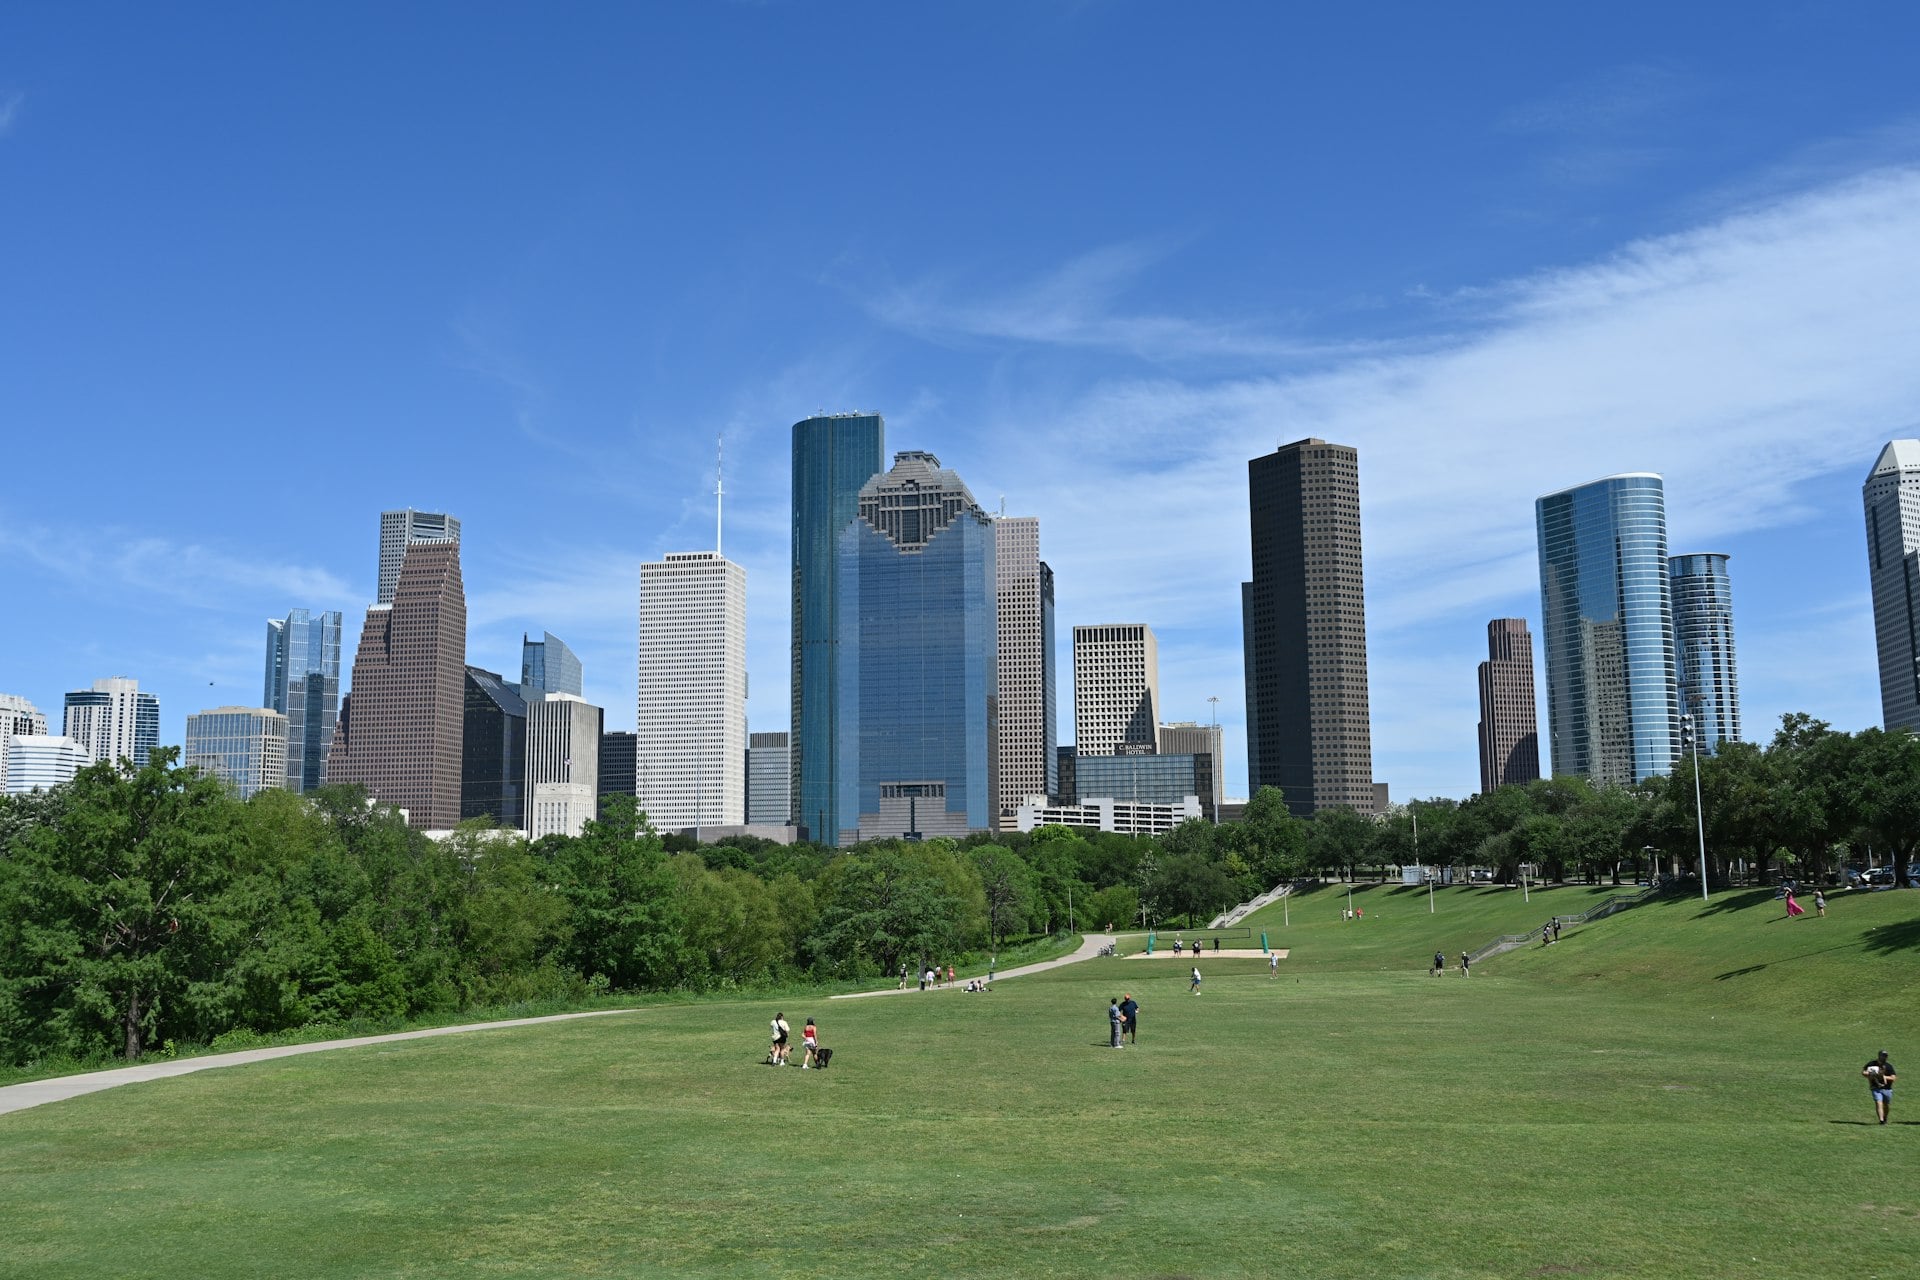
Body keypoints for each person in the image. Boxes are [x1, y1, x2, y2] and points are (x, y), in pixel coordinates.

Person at [1864, 1050, 1897, 1124]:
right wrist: (1871, 1073)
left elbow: (1893, 1078)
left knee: (1886, 1105)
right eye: (1883, 1056)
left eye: (1885, 1056)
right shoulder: (1872, 1064)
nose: (1884, 1057)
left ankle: (1885, 1118)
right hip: (1875, 1087)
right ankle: (1881, 1120)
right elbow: (1863, 1072)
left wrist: (1883, 1076)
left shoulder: (1888, 1066)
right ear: (1879, 1056)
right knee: (1878, 1102)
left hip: (1887, 1089)